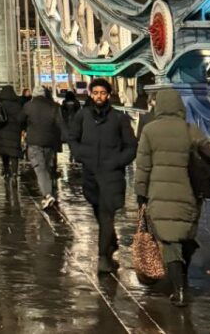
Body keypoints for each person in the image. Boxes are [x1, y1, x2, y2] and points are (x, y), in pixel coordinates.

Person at [135, 88, 210, 306]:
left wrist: (140, 193)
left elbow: (143, 166)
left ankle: (179, 290)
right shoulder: (190, 130)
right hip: (189, 193)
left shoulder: (149, 131)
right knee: (184, 237)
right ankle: (182, 276)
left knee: (170, 241)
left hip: (159, 194)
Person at [68, 78, 137, 274]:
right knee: (99, 213)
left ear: (108, 95)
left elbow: (131, 146)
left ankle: (102, 258)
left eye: (103, 93)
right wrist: (81, 155)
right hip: (90, 174)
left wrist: (117, 162)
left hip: (112, 175)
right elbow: (72, 137)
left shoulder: (119, 118)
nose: (99, 96)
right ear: (90, 94)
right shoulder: (82, 116)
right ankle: (111, 243)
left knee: (107, 215)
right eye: (96, 92)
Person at [21, 86, 64, 209]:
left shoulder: (29, 106)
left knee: (40, 169)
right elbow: (60, 124)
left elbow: (20, 120)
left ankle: (47, 195)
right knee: (47, 167)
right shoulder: (54, 106)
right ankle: (51, 191)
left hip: (34, 141)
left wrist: (26, 128)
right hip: (50, 141)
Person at [0, 85, 24, 179]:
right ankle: (14, 173)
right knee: (14, 153)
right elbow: (21, 118)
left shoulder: (0, 104)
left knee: (4, 152)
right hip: (15, 132)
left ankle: (6, 170)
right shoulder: (18, 105)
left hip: (3, 131)